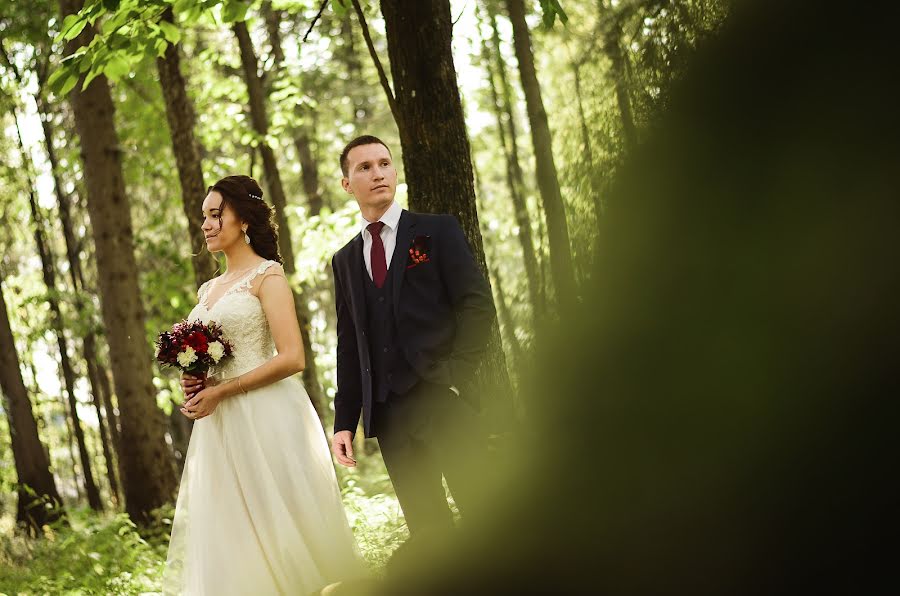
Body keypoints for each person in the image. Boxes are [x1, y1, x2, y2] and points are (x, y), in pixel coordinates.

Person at [163, 175, 364, 595]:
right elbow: (214, 355)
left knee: (282, 522)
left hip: (268, 416)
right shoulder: (207, 289)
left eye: (216, 214)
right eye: (204, 217)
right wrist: (197, 378)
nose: (207, 225)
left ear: (245, 219)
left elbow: (292, 356)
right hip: (219, 429)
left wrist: (223, 390)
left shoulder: (267, 276)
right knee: (232, 532)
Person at [329, 136, 496, 541]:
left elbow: (477, 304)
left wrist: (456, 373)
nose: (377, 173)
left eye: (384, 163)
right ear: (347, 184)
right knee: (429, 532)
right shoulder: (345, 260)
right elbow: (350, 344)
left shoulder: (436, 231)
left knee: (486, 520)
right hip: (389, 414)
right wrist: (344, 421)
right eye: (364, 167)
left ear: (395, 171)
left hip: (445, 400)